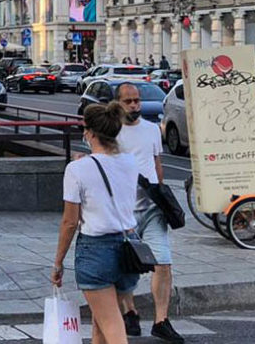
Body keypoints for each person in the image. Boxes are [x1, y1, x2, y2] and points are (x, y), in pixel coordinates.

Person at [51, 102, 138, 344]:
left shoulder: (77, 169)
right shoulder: (130, 162)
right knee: (102, 322)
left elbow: (70, 222)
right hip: (130, 246)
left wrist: (58, 263)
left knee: (111, 325)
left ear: (89, 132)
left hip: (96, 249)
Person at [114, 83, 184, 343]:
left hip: (153, 209)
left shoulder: (152, 129)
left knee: (163, 263)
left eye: (137, 100)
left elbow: (157, 164)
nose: (134, 105)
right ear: (118, 103)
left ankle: (161, 321)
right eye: (128, 101)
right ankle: (129, 312)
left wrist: (163, 197)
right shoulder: (112, 132)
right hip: (123, 211)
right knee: (125, 266)